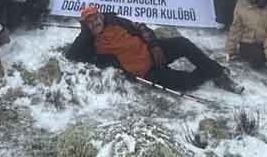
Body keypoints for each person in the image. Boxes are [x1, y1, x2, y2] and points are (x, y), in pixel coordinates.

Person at [69, 6, 243, 93]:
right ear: (86, 27)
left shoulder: (116, 21)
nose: (95, 23)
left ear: (101, 16)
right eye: (90, 23)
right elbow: (72, 55)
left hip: (153, 52)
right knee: (187, 83)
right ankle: (208, 71)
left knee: (182, 43)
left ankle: (219, 74)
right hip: (147, 73)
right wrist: (85, 32)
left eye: (96, 18)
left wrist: (154, 45)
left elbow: (140, 27)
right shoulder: (91, 43)